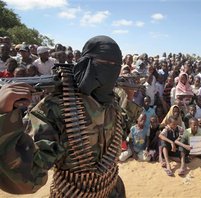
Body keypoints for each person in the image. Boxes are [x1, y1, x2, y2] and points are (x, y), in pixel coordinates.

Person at [0, 35, 125, 197]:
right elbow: (28, 179)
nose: (109, 69)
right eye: (102, 63)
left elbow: (121, 133)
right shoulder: (57, 107)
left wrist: (129, 98)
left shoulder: (112, 100)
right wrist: (4, 117)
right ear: (86, 62)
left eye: (115, 65)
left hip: (113, 190)